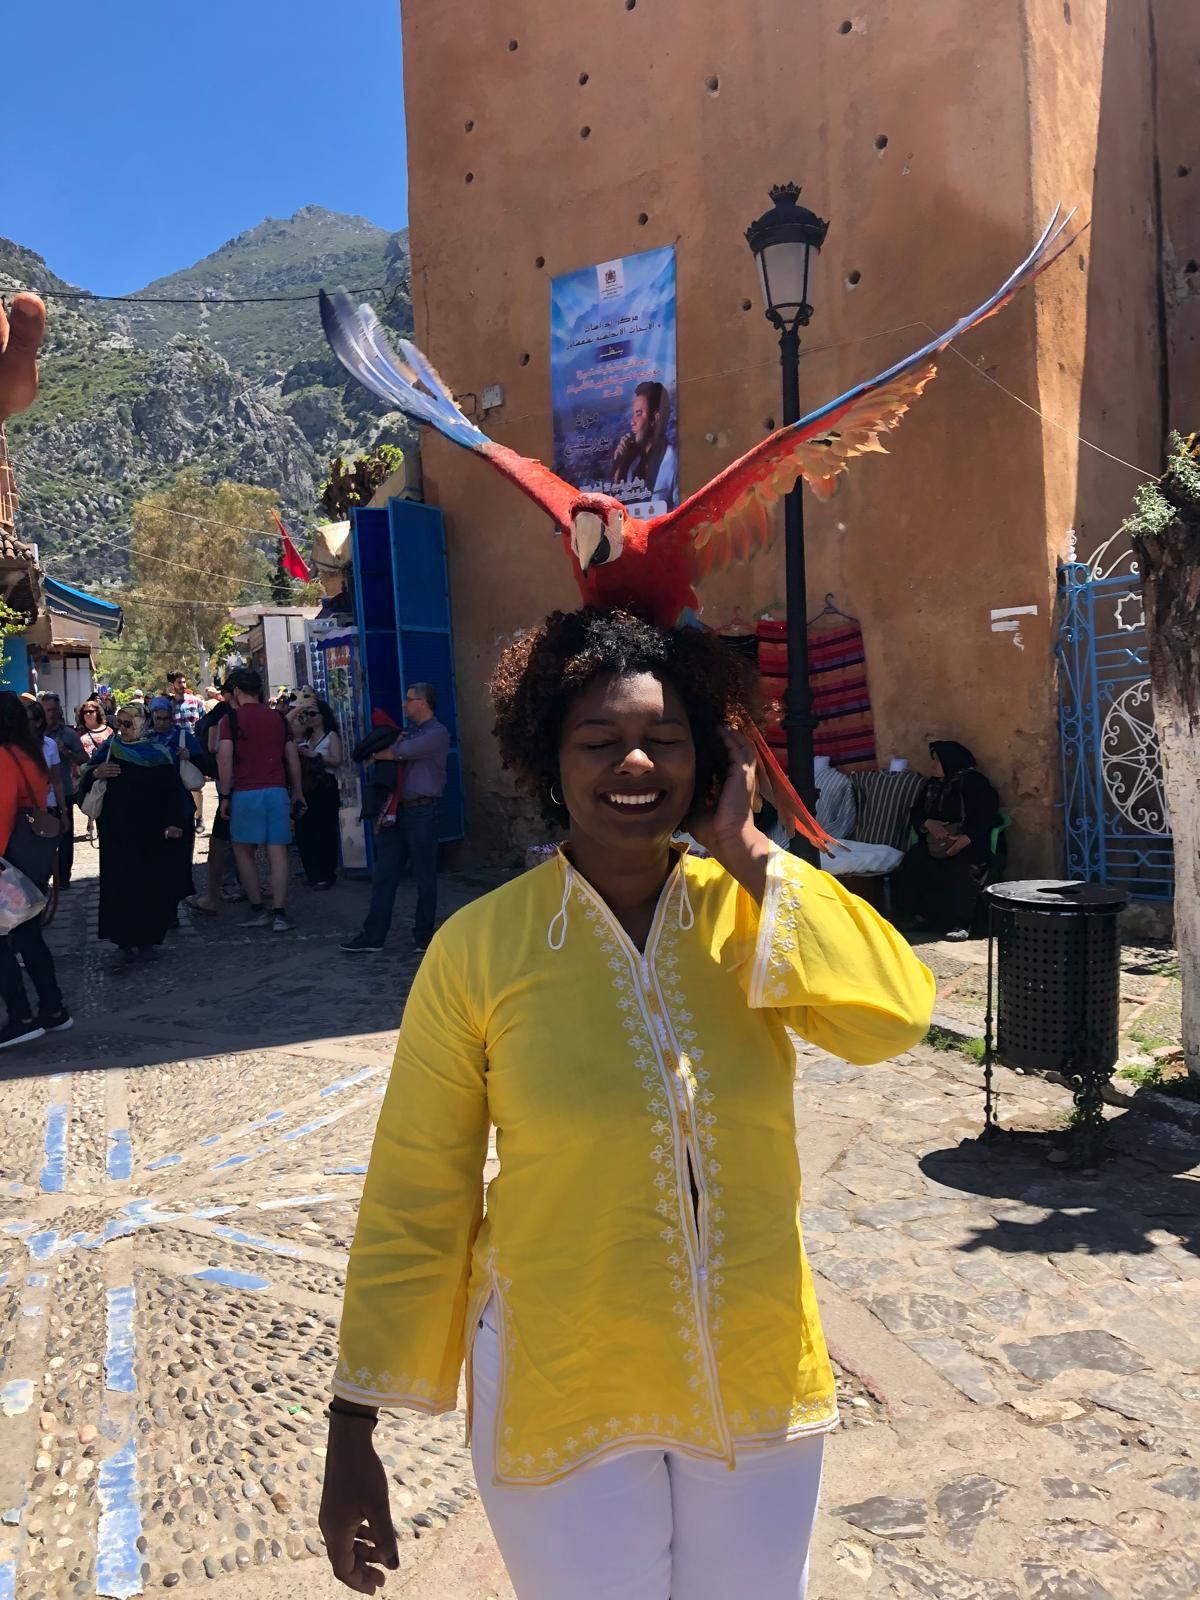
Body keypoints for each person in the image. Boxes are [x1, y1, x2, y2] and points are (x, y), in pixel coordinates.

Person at [319, 608, 934, 1600]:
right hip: (565, 1381)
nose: (635, 764)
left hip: (758, 1374)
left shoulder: (751, 913)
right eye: (599, 741)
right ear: (546, 760)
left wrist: (749, 851)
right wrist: (354, 1426)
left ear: (713, 758)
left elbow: (896, 1014)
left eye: (666, 740)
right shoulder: (481, 951)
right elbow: (414, 1191)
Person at [77, 702, 193, 966]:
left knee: (150, 884)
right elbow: (85, 773)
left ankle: (148, 940)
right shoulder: (111, 748)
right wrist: (96, 772)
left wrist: (175, 822)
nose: (123, 729)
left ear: (142, 724)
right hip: (117, 831)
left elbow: (173, 791)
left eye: (128, 723)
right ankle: (123, 941)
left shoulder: (159, 753)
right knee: (120, 885)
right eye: (120, 723)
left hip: (152, 832)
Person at [340, 682, 449, 955]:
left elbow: (398, 752)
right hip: (398, 810)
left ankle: (423, 937)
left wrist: (376, 755)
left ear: (422, 703)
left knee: (425, 876)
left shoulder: (437, 733)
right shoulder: (409, 733)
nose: (404, 704)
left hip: (423, 811)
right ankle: (373, 936)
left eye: (409, 699)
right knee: (385, 874)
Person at [0, 691, 70, 1046]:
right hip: (32, 856)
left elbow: (2, 810)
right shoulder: (30, 752)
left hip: (10, 858)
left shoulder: (3, 757)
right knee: (29, 935)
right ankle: (53, 1008)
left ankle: (21, 1016)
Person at [216, 666, 305, 933]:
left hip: (244, 792)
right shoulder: (278, 719)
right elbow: (291, 758)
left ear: (237, 692)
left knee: (243, 851)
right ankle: (280, 911)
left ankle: (258, 909)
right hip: (276, 791)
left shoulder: (229, 721)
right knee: (277, 851)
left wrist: (224, 795)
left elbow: (224, 759)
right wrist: (297, 791)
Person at [895, 739, 1002, 941]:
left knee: (963, 868)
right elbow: (916, 812)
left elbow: (987, 816)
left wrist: (965, 838)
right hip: (936, 843)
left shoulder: (975, 783)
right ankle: (922, 917)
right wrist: (929, 823)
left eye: (937, 762)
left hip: (968, 841)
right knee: (914, 860)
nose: (933, 766)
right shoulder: (932, 785)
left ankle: (962, 923)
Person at [39, 692, 86, 890]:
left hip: (64, 791)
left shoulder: (68, 734)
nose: (50, 714)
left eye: (53, 710)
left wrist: (65, 752)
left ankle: (64, 877)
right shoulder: (33, 733)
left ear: (59, 710)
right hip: (40, 795)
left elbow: (83, 758)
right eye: (46, 710)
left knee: (65, 837)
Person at [294, 698, 342, 889]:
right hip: (306, 786)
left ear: (323, 716)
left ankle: (326, 874)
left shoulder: (331, 736)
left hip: (324, 787)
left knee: (324, 831)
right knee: (305, 831)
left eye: (313, 713)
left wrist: (314, 755)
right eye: (307, 714)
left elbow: (337, 760)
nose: (309, 718)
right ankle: (312, 873)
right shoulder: (304, 736)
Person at [612, 380, 679, 510]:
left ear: (654, 419)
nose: (632, 422)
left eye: (638, 414)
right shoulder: (633, 460)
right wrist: (621, 463)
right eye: (633, 414)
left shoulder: (671, 459)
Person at [77, 699, 114, 844]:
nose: (88, 714)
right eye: (85, 712)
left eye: (91, 711)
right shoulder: (80, 734)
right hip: (89, 775)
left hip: (108, 775)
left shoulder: (110, 731)